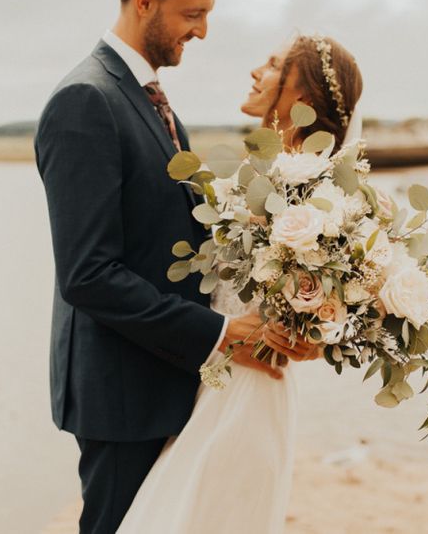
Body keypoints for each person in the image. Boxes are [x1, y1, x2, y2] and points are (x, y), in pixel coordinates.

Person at [34, 0, 309, 534]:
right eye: (194, 14)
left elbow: (177, 238)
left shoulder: (150, 99)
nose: (203, 31)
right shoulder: (86, 100)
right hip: (121, 393)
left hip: (167, 380)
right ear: (145, 0)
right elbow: (88, 274)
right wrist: (219, 333)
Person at [116, 34, 364, 533]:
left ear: (303, 99)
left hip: (251, 385)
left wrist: (306, 334)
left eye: (273, 65)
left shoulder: (315, 194)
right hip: (214, 372)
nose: (256, 71)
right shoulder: (260, 174)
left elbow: (326, 303)